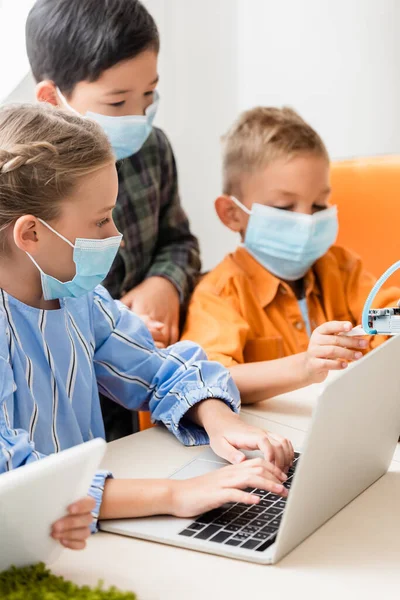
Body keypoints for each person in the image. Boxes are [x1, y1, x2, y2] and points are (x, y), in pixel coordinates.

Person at [0, 104, 293, 551]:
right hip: (26, 547)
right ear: (30, 234)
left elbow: (162, 371)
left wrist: (220, 420)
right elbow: (22, 482)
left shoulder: (80, 300)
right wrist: (177, 494)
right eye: (100, 220)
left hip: (90, 537)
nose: (115, 233)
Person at [26, 0, 201, 438]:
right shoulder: (27, 188)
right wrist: (107, 319)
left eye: (148, 95)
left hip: (145, 378)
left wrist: (164, 282)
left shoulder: (152, 150)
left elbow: (180, 241)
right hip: (71, 402)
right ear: (52, 98)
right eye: (118, 101)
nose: (137, 117)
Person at [182, 107, 400, 404]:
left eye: (319, 205)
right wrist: (304, 367)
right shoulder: (221, 294)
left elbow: (389, 322)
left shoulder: (343, 268)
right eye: (285, 207)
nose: (307, 221)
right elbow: (206, 379)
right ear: (232, 214)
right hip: (273, 441)